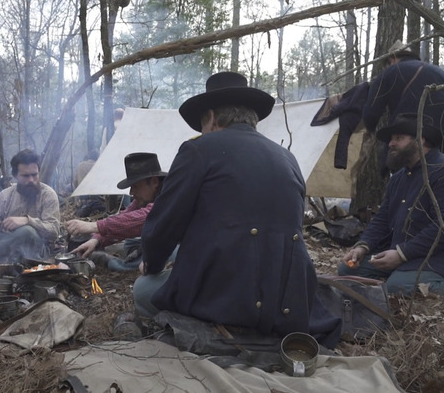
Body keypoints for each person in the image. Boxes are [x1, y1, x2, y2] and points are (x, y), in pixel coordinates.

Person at [132, 71, 341, 347]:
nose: (202, 132)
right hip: (288, 303)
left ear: (212, 118)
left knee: (143, 290)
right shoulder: (287, 158)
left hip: (226, 301)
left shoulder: (199, 150)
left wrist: (153, 263)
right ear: (251, 117)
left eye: (202, 125)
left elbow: (163, 228)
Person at [338, 113, 444, 295]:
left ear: (420, 140)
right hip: (404, 253)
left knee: (397, 286)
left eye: (399, 138)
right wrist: (362, 246)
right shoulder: (398, 178)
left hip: (443, 257)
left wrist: (402, 254)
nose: (391, 144)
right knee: (347, 270)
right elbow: (382, 218)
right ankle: (404, 276)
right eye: (391, 139)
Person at [364, 40, 444, 165]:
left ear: (392, 58)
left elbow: (371, 113)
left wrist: (369, 129)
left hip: (411, 142)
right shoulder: (438, 71)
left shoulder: (390, 72)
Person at [65, 152, 168, 271]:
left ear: (155, 182)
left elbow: (147, 218)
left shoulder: (170, 195)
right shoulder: (146, 197)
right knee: (131, 242)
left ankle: (115, 263)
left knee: (142, 287)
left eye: (136, 186)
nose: (131, 193)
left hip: (183, 249)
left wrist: (94, 226)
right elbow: (126, 217)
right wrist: (96, 239)